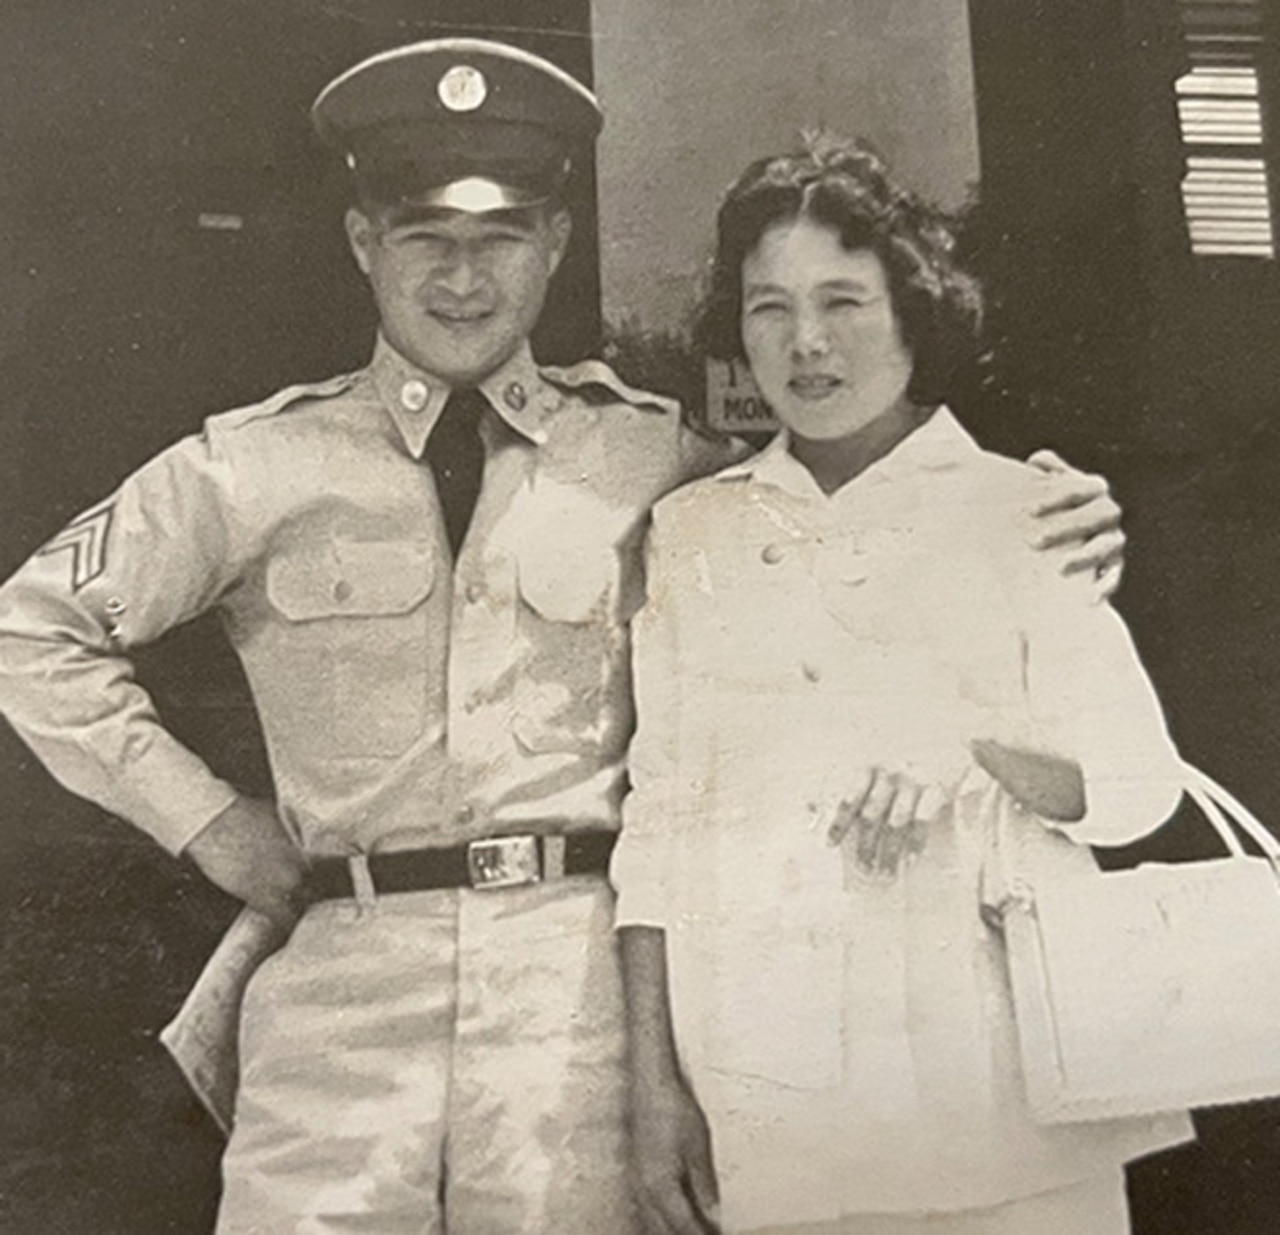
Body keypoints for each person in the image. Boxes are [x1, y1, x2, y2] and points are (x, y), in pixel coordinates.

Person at [0, 39, 1127, 1234]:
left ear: (552, 245)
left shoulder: (655, 456)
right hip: (335, 1011)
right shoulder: (247, 467)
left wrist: (1032, 512)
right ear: (361, 242)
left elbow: (837, 513)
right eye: (426, 234)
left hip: (576, 1021)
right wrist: (209, 821)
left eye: (500, 237)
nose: (463, 277)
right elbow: (29, 626)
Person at [611, 135, 1195, 1235]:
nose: (807, 342)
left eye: (844, 300)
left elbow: (1136, 784)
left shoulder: (1023, 508)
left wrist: (967, 748)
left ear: (912, 312)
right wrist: (652, 1090)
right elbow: (659, 829)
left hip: (1005, 1090)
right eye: (768, 307)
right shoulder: (694, 533)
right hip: (771, 1096)